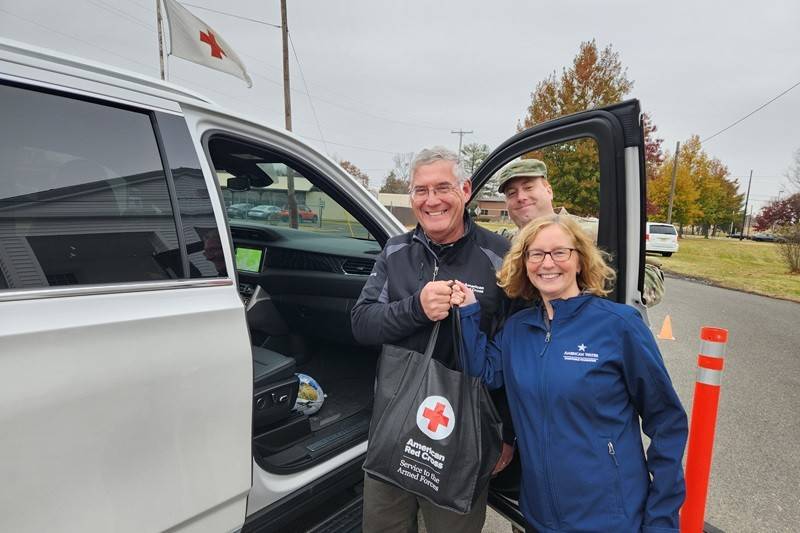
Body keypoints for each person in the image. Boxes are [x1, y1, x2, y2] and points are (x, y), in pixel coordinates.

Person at [450, 215, 688, 533]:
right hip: (539, 517)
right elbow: (483, 373)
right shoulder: (518, 330)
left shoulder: (619, 326)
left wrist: (661, 520)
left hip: (611, 518)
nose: (548, 263)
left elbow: (667, 422)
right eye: (536, 253)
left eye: (560, 252)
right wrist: (467, 311)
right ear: (525, 264)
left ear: (579, 260)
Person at [351, 146, 515, 533]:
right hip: (395, 426)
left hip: (464, 436)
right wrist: (416, 309)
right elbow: (362, 323)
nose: (432, 200)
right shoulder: (395, 251)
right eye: (420, 191)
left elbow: (516, 355)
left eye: (443, 187)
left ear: (466, 189)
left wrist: (507, 434)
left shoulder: (501, 257)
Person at [495, 159, 665, 308]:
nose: (521, 197)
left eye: (528, 187)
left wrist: (593, 289)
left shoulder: (592, 232)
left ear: (549, 190)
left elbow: (650, 274)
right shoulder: (504, 241)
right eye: (511, 193)